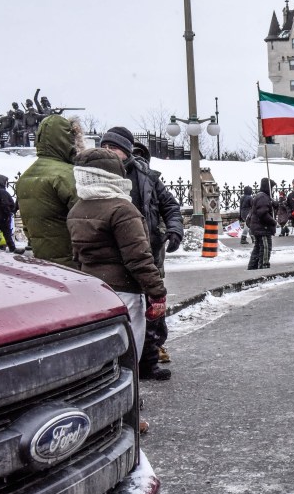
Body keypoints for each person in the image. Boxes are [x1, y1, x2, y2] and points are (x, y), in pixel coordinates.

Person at [66, 149, 166, 377]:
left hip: (93, 290)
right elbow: (138, 257)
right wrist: (157, 292)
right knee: (128, 354)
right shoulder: (122, 209)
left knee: (101, 354)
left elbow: (77, 256)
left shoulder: (77, 210)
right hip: (125, 291)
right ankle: (127, 401)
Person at [100, 127, 183, 381]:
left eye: (113, 148)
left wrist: (174, 229)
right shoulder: (97, 177)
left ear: (125, 151)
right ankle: (116, 366)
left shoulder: (147, 176)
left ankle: (149, 362)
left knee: (153, 309)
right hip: (112, 257)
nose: (108, 152)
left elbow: (170, 205)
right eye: (104, 147)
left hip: (147, 251)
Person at [15, 115, 80, 267]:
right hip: (72, 261)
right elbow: (86, 220)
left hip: (43, 261)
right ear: (65, 139)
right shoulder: (67, 174)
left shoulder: (25, 177)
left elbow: (27, 226)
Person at [247, 178, 277, 270]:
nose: (272, 190)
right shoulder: (263, 197)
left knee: (258, 247)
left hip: (258, 227)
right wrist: (273, 221)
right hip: (263, 227)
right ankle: (264, 265)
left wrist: (274, 204)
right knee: (265, 247)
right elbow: (263, 213)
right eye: (271, 188)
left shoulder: (262, 196)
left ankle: (253, 266)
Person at [0, 175, 24, 254]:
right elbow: (5, 204)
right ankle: (12, 248)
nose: (6, 183)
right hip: (2, 216)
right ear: (2, 182)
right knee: (7, 233)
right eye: (5, 181)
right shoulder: (2, 191)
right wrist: (8, 213)